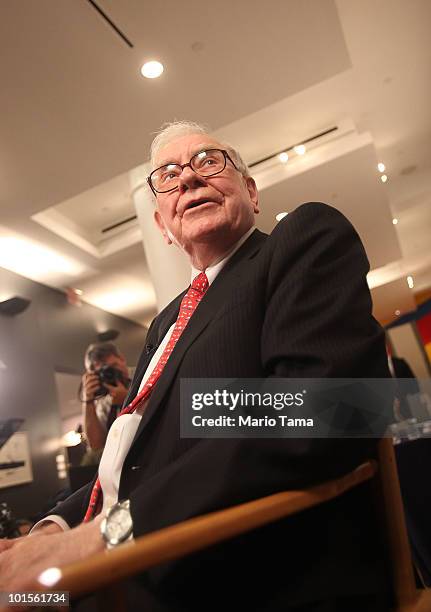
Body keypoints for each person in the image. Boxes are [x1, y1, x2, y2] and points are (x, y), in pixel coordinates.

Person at [0, 121, 391, 611]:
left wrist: (101, 535)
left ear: (251, 192)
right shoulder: (164, 324)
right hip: (123, 572)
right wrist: (51, 529)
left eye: (207, 161)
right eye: (167, 175)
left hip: (236, 579)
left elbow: (332, 409)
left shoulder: (300, 242)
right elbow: (143, 457)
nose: (186, 179)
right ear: (162, 226)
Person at [81, 342, 131, 452]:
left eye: (113, 366)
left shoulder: (144, 378)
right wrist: (88, 400)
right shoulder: (102, 402)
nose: (111, 373)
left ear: (122, 359)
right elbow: (96, 445)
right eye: (104, 371)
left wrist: (128, 401)